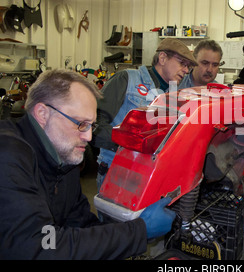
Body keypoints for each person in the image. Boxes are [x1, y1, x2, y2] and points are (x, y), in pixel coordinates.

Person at [0, 69, 176, 259]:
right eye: (81, 124)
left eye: (91, 125)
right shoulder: (8, 155)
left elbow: (81, 225)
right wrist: (138, 231)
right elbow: (40, 246)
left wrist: (132, 227)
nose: (89, 136)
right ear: (42, 114)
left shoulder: (64, 161)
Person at [93, 38, 197, 195]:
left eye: (188, 66)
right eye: (182, 63)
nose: (186, 70)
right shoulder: (127, 79)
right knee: (116, 220)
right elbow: (94, 123)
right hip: (118, 171)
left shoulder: (173, 94)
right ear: (162, 58)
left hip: (151, 175)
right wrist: (128, 142)